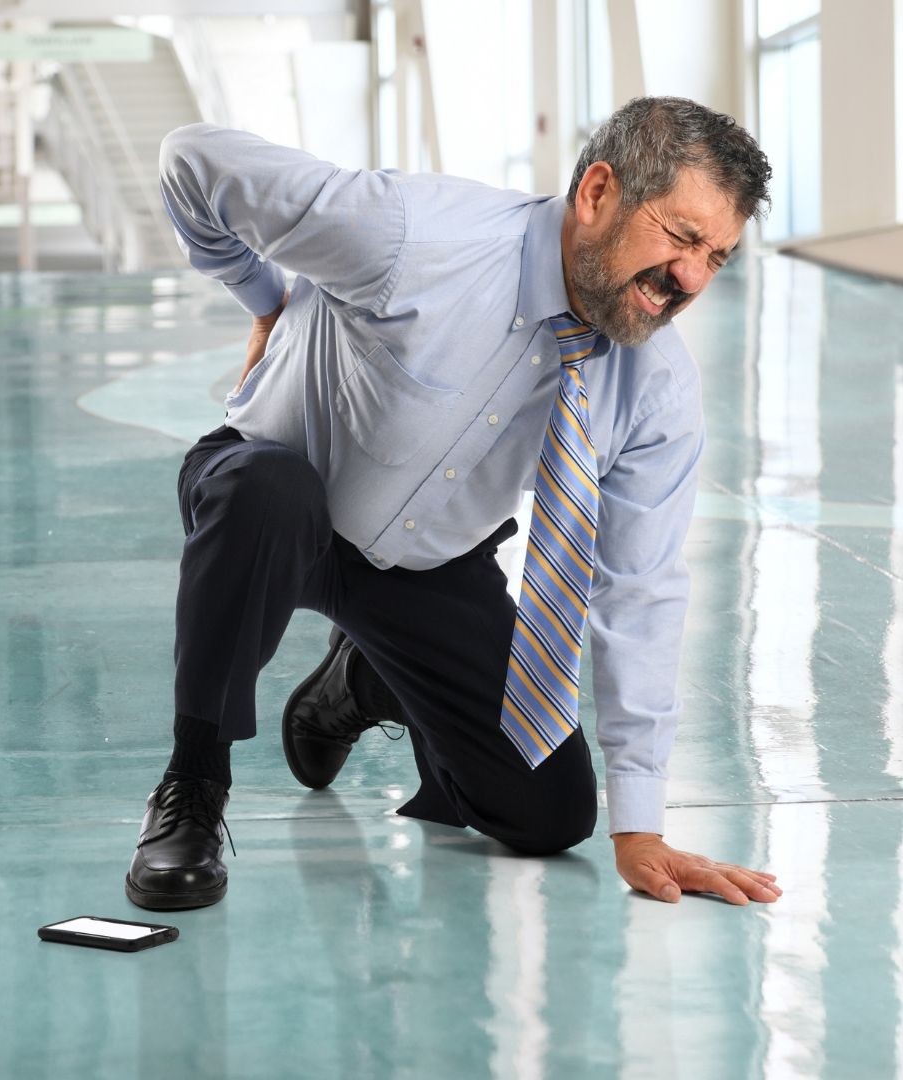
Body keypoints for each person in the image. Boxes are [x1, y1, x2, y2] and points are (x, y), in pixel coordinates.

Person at [124, 95, 783, 912]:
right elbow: (192, 159)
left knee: (549, 813)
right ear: (597, 193)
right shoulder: (412, 235)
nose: (690, 279)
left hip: (421, 562)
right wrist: (262, 297)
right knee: (272, 488)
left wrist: (639, 827)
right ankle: (191, 785)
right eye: (682, 237)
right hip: (268, 505)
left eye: (716, 257)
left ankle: (359, 682)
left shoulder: (656, 391)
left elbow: (640, 590)